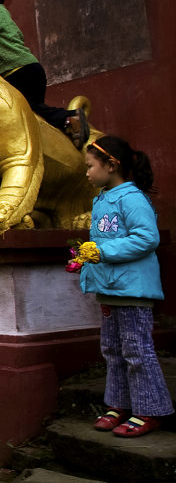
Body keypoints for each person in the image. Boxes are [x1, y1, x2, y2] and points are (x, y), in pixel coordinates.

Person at [78, 136, 172, 437]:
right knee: (112, 350)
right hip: (110, 288)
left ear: (111, 165)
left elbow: (147, 238)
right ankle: (119, 405)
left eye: (91, 166)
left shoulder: (131, 198)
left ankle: (149, 410)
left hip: (132, 291)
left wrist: (102, 252)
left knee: (136, 350)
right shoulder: (103, 199)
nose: (87, 173)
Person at [0, 0, 87, 148]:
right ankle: (65, 128)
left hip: (18, 70)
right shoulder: (4, 14)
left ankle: (70, 117)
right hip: (30, 68)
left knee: (27, 109)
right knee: (35, 112)